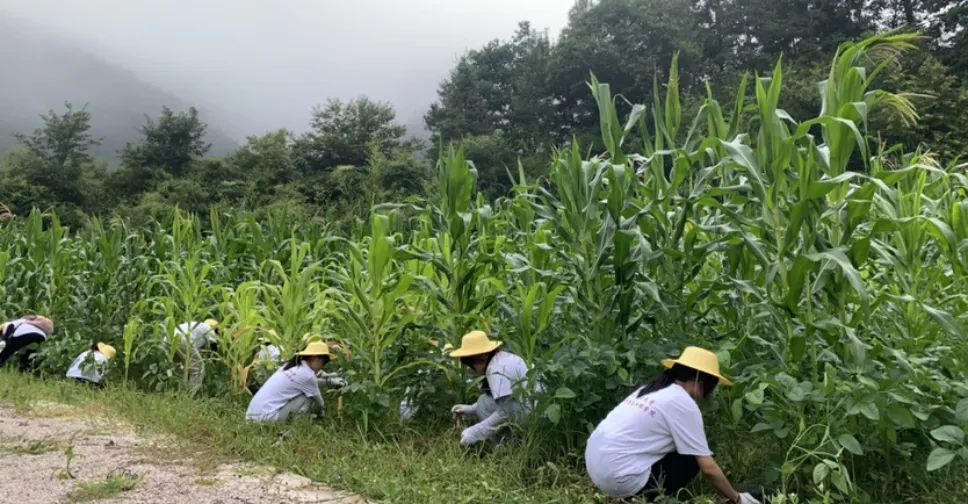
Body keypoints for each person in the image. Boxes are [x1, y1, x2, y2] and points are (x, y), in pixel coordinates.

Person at [585, 346, 760, 503]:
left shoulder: (650, 389)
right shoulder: (683, 403)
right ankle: (642, 498)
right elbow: (708, 469)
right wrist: (737, 498)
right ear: (700, 382)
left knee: (683, 447)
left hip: (596, 468)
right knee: (692, 459)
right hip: (620, 480)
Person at [449, 330, 540, 446]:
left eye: (471, 363)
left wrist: (476, 432)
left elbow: (507, 410)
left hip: (528, 415)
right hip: (532, 411)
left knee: (483, 404)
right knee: (483, 401)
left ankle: (506, 444)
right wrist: (471, 409)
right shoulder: (504, 358)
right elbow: (506, 399)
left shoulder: (495, 368)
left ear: (483, 356)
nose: (471, 369)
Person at [245, 340, 348, 422]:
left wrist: (329, 381)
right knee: (306, 397)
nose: (322, 366)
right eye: (323, 363)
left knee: (305, 392)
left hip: (252, 416)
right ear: (316, 359)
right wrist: (322, 416)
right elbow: (320, 403)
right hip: (265, 419)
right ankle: (298, 422)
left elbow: (309, 383)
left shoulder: (291, 366)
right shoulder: (306, 375)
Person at [167, 319, 218, 393]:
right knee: (198, 367)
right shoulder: (209, 328)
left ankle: (177, 390)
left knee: (179, 367)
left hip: (168, 338)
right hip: (183, 339)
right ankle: (191, 393)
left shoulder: (198, 326)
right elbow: (214, 347)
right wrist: (215, 362)